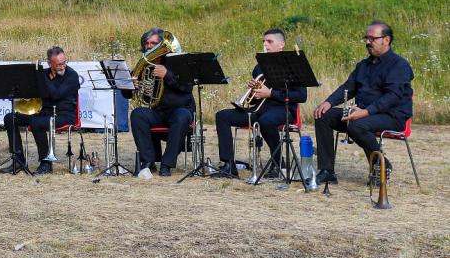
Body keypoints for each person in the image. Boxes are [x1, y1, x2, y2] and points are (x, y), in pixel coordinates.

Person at [313, 21, 413, 185]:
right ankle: (326, 171)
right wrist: (329, 102)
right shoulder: (363, 65)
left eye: (372, 38)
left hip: (392, 115)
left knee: (356, 124)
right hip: (363, 113)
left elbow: (392, 97)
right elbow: (348, 87)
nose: (367, 42)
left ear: (386, 40)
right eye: (366, 38)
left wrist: (365, 112)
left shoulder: (399, 65)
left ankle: (380, 165)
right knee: (324, 115)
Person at [211, 28, 307, 178]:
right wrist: (253, 92)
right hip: (259, 108)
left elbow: (301, 96)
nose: (265, 44)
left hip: (283, 110)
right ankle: (229, 166)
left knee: (266, 121)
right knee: (222, 116)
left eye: (269, 41)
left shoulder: (294, 65)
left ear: (281, 44)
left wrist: (270, 93)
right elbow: (257, 98)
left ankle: (278, 163)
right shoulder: (259, 67)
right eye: (264, 41)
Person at [0, 46, 80, 175]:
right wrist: (31, 75)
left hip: (64, 114)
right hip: (43, 113)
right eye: (59, 64)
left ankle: (45, 163)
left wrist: (39, 74)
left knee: (37, 123)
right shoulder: (44, 74)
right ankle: (18, 160)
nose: (63, 66)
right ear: (49, 63)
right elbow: (28, 89)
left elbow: (56, 95)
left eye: (64, 62)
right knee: (10, 118)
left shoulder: (71, 76)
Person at [129, 28, 194, 177]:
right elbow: (129, 94)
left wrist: (167, 75)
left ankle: (166, 164)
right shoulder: (143, 64)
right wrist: (132, 87)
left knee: (182, 116)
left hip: (179, 109)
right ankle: (147, 162)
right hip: (157, 111)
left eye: (154, 43)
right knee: (137, 114)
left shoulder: (178, 62)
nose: (149, 46)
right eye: (147, 43)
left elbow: (187, 87)